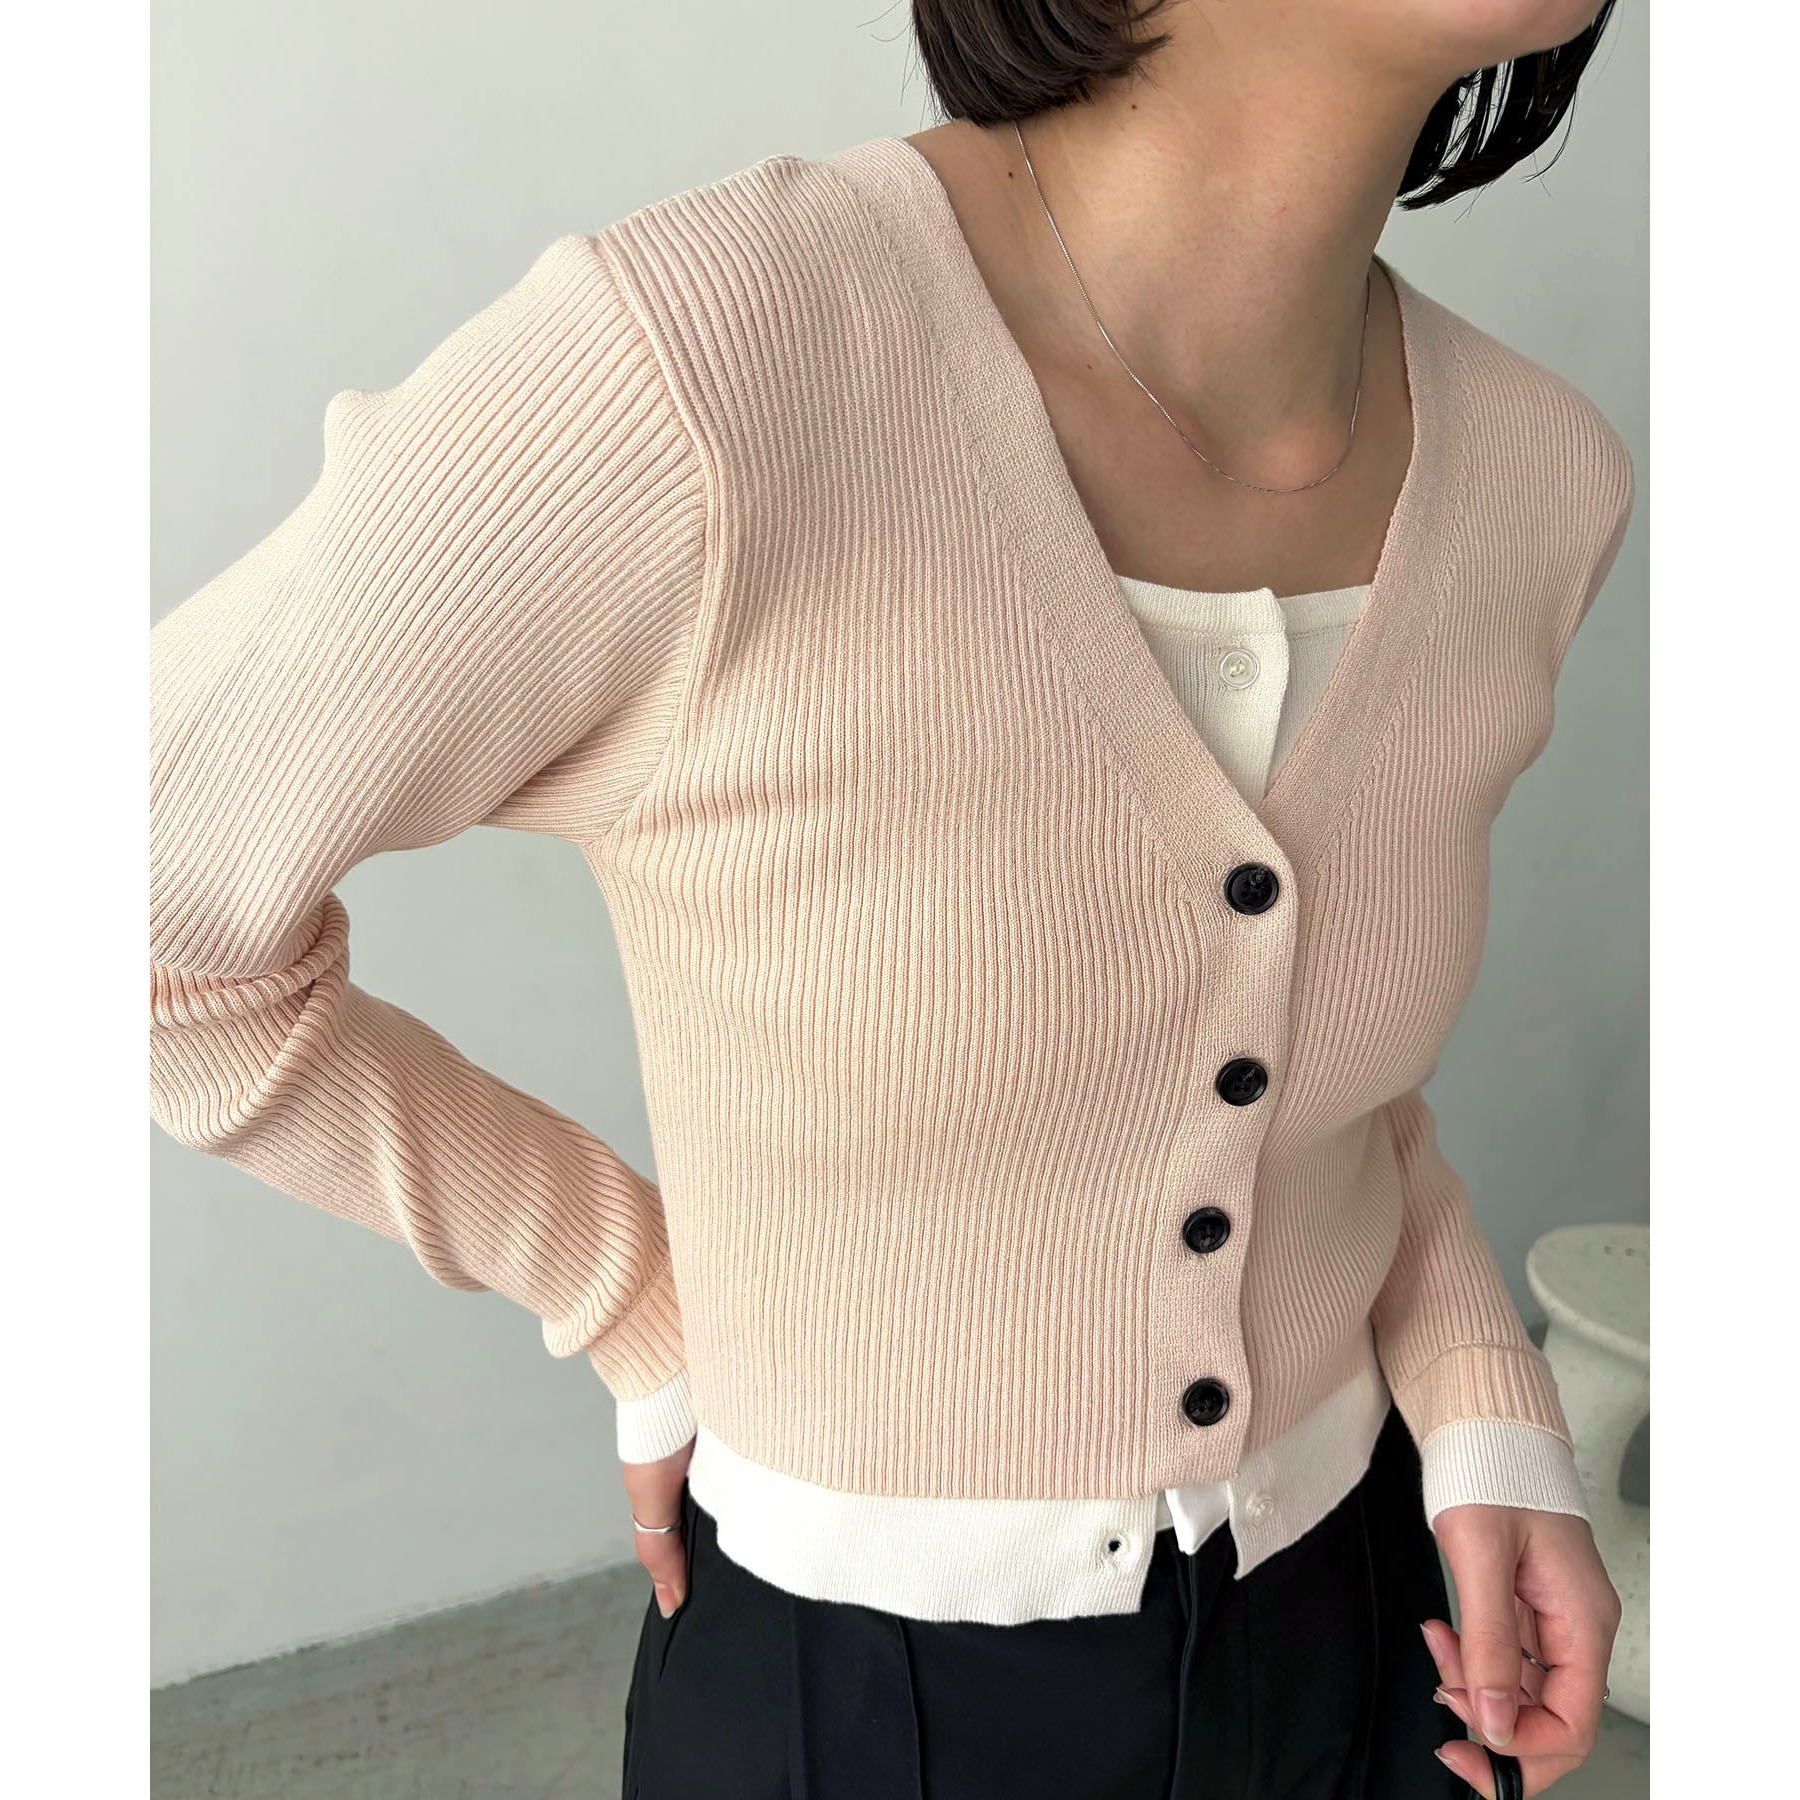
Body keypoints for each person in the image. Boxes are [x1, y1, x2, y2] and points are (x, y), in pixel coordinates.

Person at [148, 2, 1635, 1796]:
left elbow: (1320, 1093)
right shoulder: (701, 371)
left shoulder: (1538, 478)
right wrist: (631, 1291)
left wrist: (1486, 1415)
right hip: (865, 1697)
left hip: (1373, 1629)